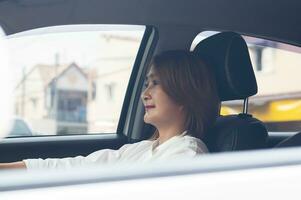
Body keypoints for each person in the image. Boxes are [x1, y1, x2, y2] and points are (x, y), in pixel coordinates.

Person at [0, 50, 220, 170]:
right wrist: (8, 169)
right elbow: (78, 166)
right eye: (146, 84)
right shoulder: (141, 150)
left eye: (156, 83)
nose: (145, 94)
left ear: (183, 93)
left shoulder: (187, 155)